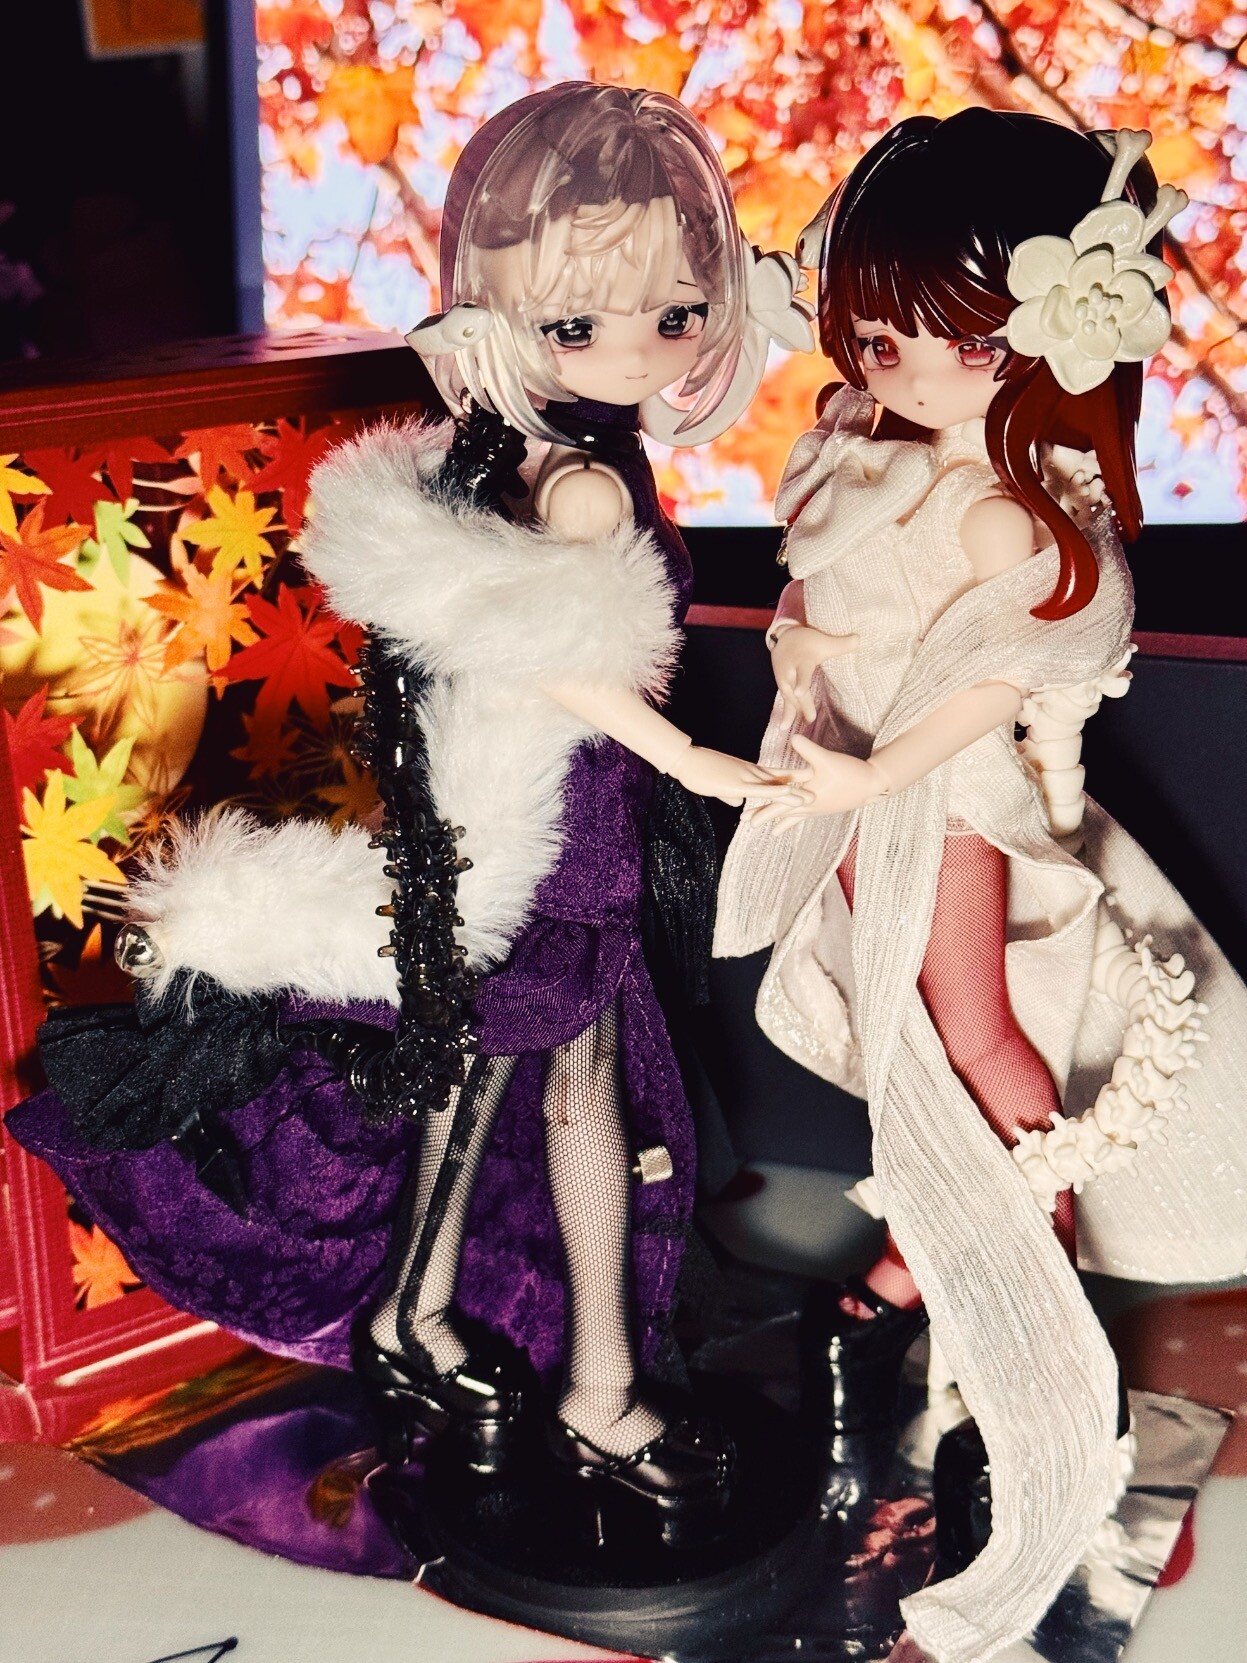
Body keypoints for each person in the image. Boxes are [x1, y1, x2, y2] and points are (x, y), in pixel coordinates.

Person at [11, 83, 809, 1534]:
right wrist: (693, 760)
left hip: (510, 823)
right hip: (564, 829)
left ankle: (427, 1317)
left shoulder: (509, 455)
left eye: (676, 311)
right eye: (579, 324)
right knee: (562, 1087)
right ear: (498, 311)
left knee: (484, 1073)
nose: (640, 348)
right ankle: (587, 1386)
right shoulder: (579, 485)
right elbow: (563, 660)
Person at [714, 110, 1247, 1661]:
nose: (889, 364)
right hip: (849, 790)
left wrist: (873, 773)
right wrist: (805, 689)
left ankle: (1020, 1296)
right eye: (874, 332)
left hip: (941, 808)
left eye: (941, 339)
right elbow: (819, 599)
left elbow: (990, 680)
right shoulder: (866, 446)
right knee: (911, 1043)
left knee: (975, 1038)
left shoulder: (1002, 506)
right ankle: (928, 1272)